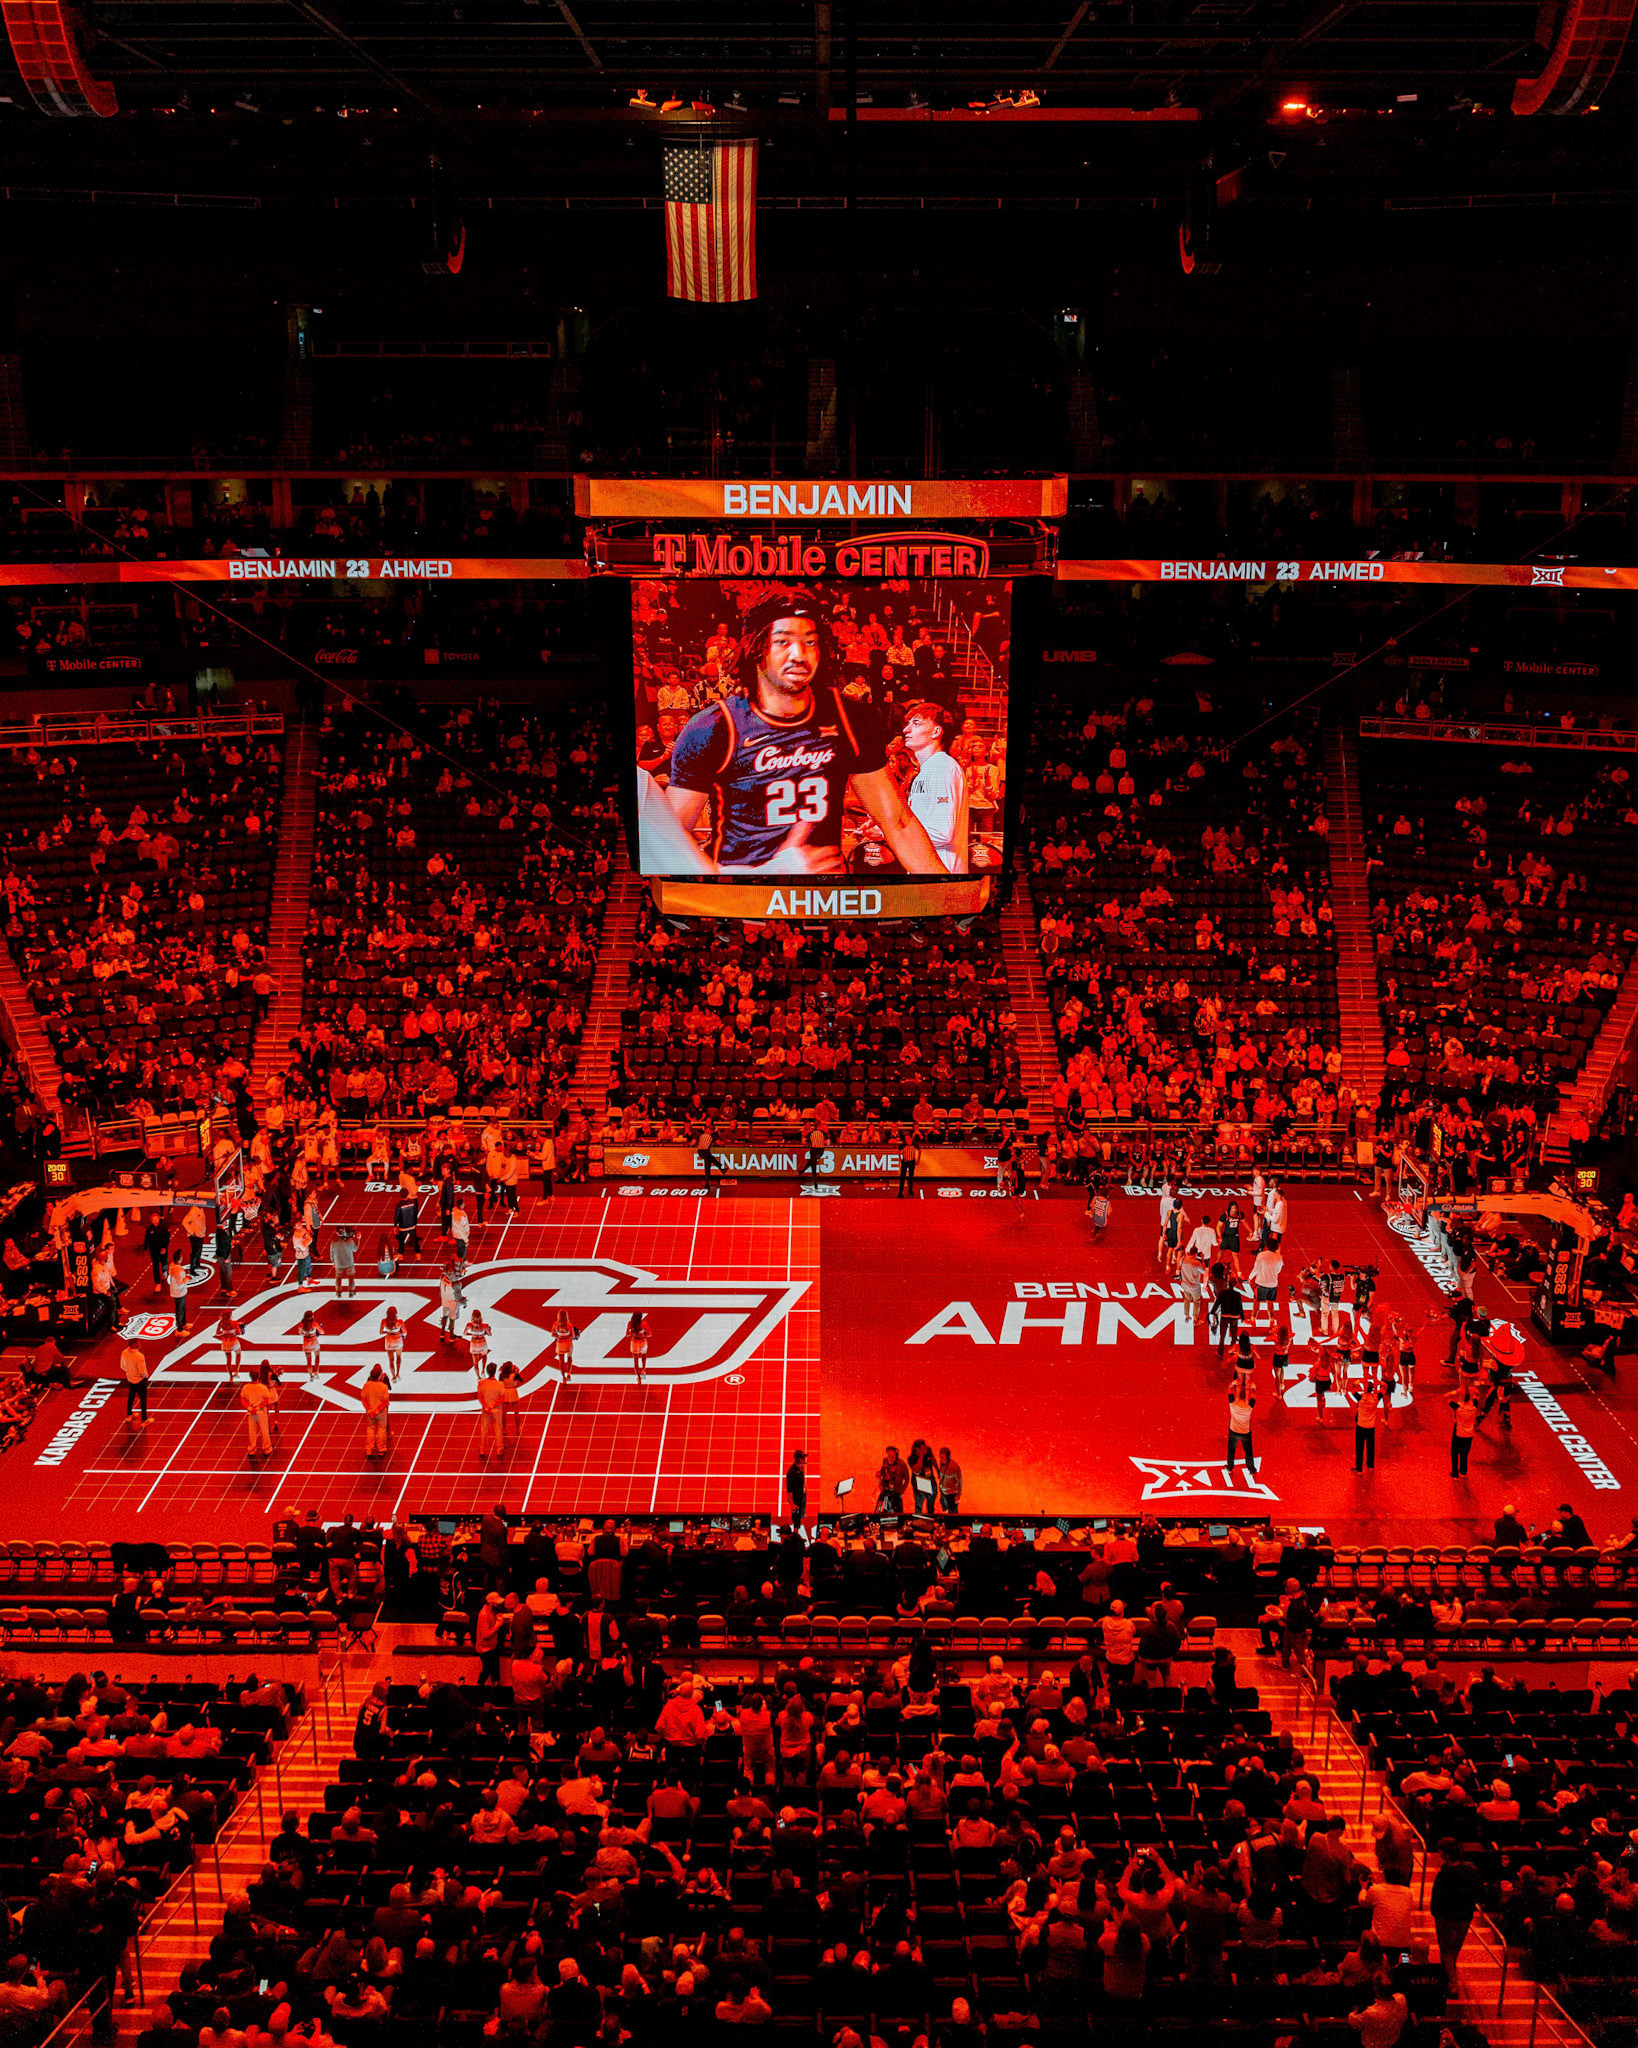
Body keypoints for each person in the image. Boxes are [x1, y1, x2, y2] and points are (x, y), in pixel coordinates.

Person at [663, 597, 947, 875]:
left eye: (809, 642)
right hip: (741, 901)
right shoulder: (714, 726)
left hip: (821, 901)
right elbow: (670, 840)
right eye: (783, 641)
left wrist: (948, 893)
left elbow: (897, 821)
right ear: (757, 648)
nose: (799, 654)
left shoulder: (849, 716)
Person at [901, 700, 971, 874]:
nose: (906, 730)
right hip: (926, 872)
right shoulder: (927, 770)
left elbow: (941, 833)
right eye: (908, 723)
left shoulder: (942, 767)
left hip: (940, 874)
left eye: (916, 724)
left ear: (936, 731)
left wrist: (893, 833)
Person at [241, 1370, 273, 1460]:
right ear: (258, 1376)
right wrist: (258, 1407)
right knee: (264, 1431)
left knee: (252, 1432)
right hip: (261, 1412)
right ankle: (267, 1448)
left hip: (251, 1412)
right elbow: (266, 1400)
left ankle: (251, 1450)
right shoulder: (263, 1387)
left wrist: (250, 1408)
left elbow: (243, 1399)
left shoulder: (246, 1387)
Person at [1226, 1386, 1256, 1479]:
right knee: (1248, 1452)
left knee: (1231, 1450)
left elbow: (1229, 1391)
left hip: (1233, 1431)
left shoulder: (1233, 1404)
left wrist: (1232, 1384)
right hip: (1245, 1433)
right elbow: (1254, 1397)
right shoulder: (1249, 1407)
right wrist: (1253, 1389)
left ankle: (1230, 1467)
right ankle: (1251, 1469)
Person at [477, 1365, 505, 1459]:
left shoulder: (482, 1383)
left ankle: (482, 1449)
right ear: (494, 1372)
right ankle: (499, 1449)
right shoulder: (500, 1384)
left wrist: (486, 1407)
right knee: (498, 1430)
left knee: (484, 1430)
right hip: (496, 1410)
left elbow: (479, 1397)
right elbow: (501, 1398)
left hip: (485, 1410)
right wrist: (492, 1406)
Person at [362, 1365, 390, 1459]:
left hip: (370, 1413)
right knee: (381, 1430)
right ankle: (381, 1449)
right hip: (381, 1413)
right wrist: (377, 1410)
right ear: (379, 1376)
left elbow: (363, 1399)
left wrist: (369, 1410)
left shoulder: (366, 1385)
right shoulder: (383, 1387)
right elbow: (385, 1401)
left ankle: (369, 1450)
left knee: (370, 1429)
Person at [120, 1340, 150, 1425]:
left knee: (131, 1397)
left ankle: (129, 1415)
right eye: (138, 1343)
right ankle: (144, 1419)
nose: (140, 1344)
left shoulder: (124, 1353)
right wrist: (145, 1377)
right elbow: (142, 1371)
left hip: (130, 1379)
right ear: (134, 1344)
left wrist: (130, 1373)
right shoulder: (139, 1356)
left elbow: (122, 1366)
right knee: (143, 1399)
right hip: (140, 1380)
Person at [552, 1308, 578, 1384]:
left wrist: (560, 1336)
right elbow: (573, 1336)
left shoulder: (555, 1325)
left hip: (560, 1344)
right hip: (568, 1344)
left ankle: (563, 1378)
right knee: (569, 1358)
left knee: (561, 1362)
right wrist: (566, 1336)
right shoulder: (569, 1326)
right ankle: (569, 1374)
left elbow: (553, 1334)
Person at [166, 1251, 189, 1334]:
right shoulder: (178, 1270)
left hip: (176, 1292)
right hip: (179, 1292)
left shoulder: (172, 1266)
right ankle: (179, 1330)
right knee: (180, 1311)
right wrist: (186, 1279)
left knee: (182, 1309)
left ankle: (184, 1323)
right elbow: (180, 1283)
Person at [331, 1226, 356, 1300]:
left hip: (338, 1263)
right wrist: (358, 1240)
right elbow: (355, 1249)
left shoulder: (333, 1242)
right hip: (349, 1263)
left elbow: (331, 1253)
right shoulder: (349, 1241)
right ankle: (351, 1292)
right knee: (351, 1278)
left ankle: (339, 1292)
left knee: (338, 1279)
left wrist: (333, 1261)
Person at [381, 1304, 404, 1383]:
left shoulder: (384, 1321)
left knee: (391, 1360)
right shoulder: (399, 1322)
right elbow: (405, 1332)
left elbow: (380, 1333)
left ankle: (393, 1377)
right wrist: (399, 1332)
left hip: (388, 1340)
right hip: (397, 1339)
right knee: (398, 1356)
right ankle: (398, 1373)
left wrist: (386, 1331)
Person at [218, 1309, 242, 1384]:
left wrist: (225, 1332)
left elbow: (217, 1333)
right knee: (238, 1354)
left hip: (225, 1343)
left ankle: (230, 1376)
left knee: (228, 1360)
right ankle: (236, 1371)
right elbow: (239, 1332)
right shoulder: (234, 1323)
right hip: (234, 1341)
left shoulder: (221, 1323)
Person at [785, 1447, 807, 1528]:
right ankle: (795, 1536)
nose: (804, 1459)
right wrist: (792, 1504)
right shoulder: (792, 1472)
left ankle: (796, 1534)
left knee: (800, 1516)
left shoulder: (800, 1467)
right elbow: (789, 1490)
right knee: (796, 1519)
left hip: (801, 1497)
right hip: (796, 1499)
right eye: (802, 1457)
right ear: (798, 1459)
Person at [627, 1310, 650, 1385]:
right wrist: (643, 1333)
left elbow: (627, 1334)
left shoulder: (630, 1323)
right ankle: (643, 1369)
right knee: (644, 1355)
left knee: (635, 1361)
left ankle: (639, 1378)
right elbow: (650, 1334)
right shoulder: (644, 1324)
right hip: (642, 1341)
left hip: (634, 1343)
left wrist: (633, 1333)